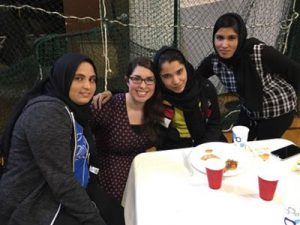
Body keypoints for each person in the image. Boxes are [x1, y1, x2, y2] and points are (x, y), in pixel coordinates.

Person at [0, 53, 112, 225]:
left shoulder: (74, 109)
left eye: (92, 79)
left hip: (61, 196)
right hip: (34, 206)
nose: (88, 86)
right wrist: (93, 220)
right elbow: (61, 180)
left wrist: (114, 92)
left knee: (118, 213)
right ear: (63, 78)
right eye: (78, 78)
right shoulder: (47, 112)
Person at [196, 12, 300, 140]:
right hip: (249, 110)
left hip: (278, 110)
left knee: (259, 151)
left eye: (231, 38)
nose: (224, 45)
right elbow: (194, 78)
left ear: (240, 38)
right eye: (220, 37)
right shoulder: (214, 61)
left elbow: (295, 72)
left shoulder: (259, 53)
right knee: (238, 143)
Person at [92, 57, 162, 203]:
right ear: (127, 81)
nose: (143, 85)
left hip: (142, 175)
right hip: (110, 181)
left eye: (149, 80)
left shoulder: (155, 108)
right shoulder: (106, 106)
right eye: (137, 79)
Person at [153, 46, 226, 150]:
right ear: (159, 77)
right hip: (176, 147)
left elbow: (214, 123)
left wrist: (201, 149)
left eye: (179, 72)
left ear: (186, 68)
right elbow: (159, 134)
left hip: (207, 143)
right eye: (167, 76)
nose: (176, 81)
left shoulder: (205, 88)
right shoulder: (158, 96)